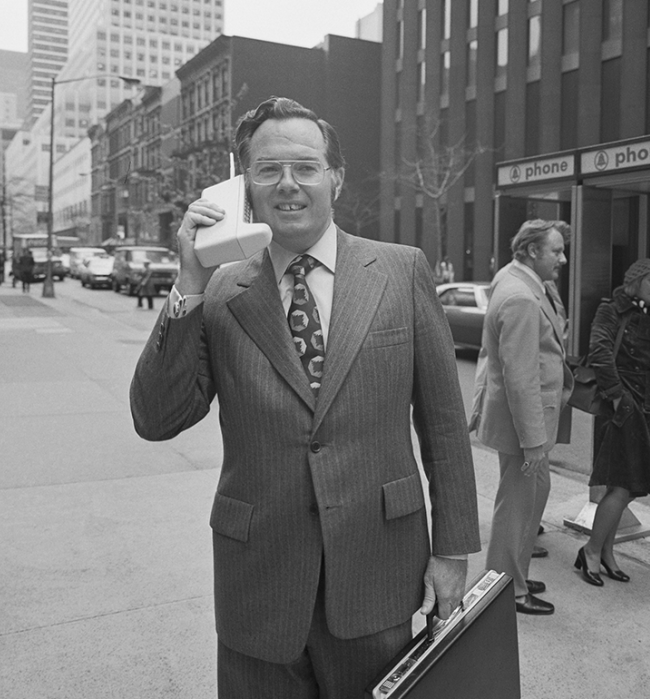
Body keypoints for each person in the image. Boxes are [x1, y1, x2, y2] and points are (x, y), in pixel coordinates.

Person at [130, 96, 480, 698]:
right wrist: (187, 282)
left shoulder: (402, 271)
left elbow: (445, 426)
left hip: (379, 572)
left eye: (305, 167)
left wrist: (452, 549)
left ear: (335, 177)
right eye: (268, 170)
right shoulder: (218, 290)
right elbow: (157, 418)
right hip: (258, 583)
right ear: (243, 186)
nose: (287, 185)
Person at [471, 219, 572, 616]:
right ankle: (505, 590)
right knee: (515, 508)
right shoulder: (521, 297)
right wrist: (532, 440)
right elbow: (520, 376)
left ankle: (515, 572)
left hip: (529, 422)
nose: (563, 259)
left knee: (532, 499)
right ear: (531, 251)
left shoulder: (516, 280)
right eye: (556, 251)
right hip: (524, 427)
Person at [574, 259, 650, 587]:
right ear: (637, 279)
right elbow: (600, 352)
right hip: (623, 405)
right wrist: (619, 399)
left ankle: (604, 551)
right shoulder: (611, 309)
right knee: (621, 484)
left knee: (631, 485)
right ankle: (592, 550)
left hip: (646, 404)